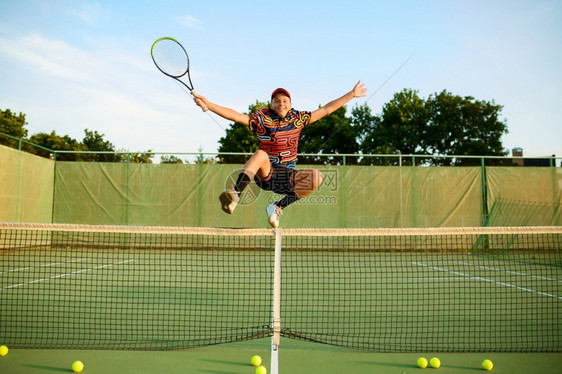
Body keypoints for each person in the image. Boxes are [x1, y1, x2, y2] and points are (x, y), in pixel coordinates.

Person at [193, 81, 367, 228]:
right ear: (271, 104)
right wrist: (209, 105)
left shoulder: (298, 118)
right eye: (277, 101)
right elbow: (237, 117)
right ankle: (236, 195)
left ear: (290, 104)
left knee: (317, 177)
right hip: (266, 173)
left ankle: (277, 207)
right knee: (261, 153)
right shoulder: (263, 118)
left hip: (286, 178)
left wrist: (351, 94)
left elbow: (327, 109)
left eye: (285, 101)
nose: (281, 103)